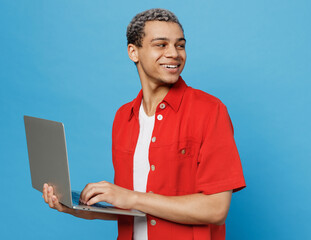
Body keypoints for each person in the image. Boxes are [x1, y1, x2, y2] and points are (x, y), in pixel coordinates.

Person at [43, 8, 246, 240]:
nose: (174, 53)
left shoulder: (210, 111)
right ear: (133, 52)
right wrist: (76, 208)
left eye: (180, 45)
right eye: (161, 45)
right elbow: (132, 212)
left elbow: (216, 209)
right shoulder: (123, 117)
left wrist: (132, 197)